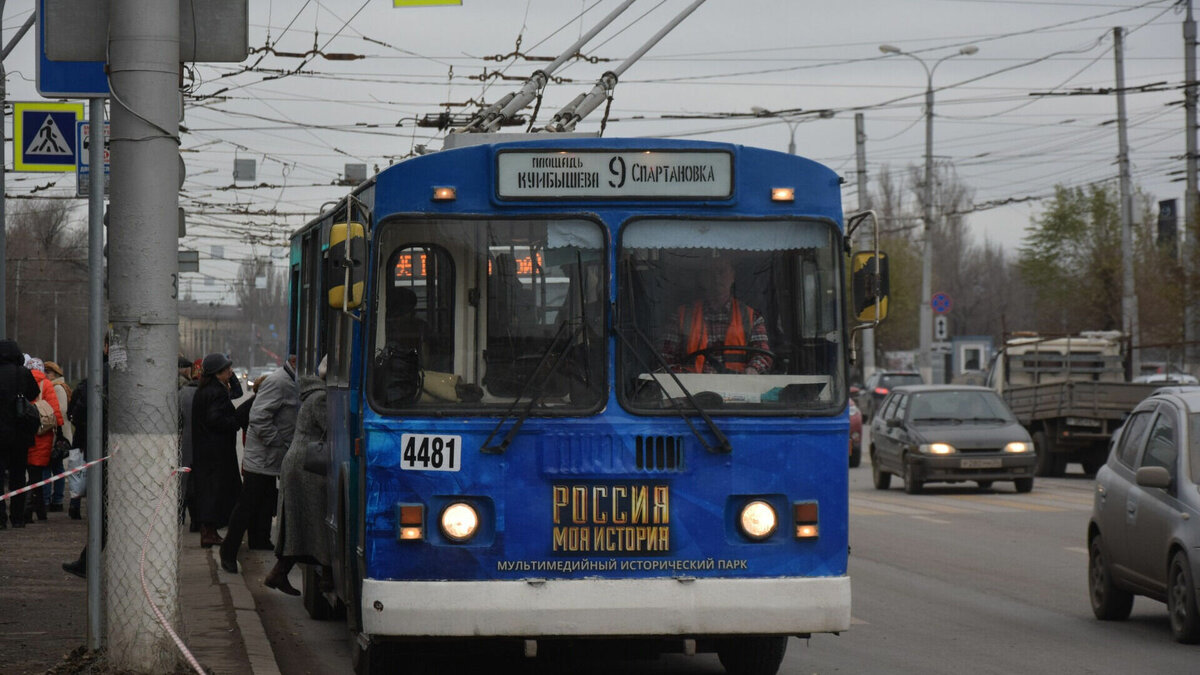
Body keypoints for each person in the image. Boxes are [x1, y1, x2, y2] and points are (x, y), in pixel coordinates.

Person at [220, 357, 299, 573]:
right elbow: (258, 417)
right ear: (295, 361)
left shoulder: (289, 380)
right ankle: (228, 551)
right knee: (247, 504)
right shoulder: (279, 382)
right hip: (263, 456)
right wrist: (279, 442)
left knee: (264, 500)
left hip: (271, 456)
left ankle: (259, 540)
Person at [265, 356, 330, 595]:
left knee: (300, 523)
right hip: (307, 466)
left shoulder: (311, 394)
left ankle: (279, 574)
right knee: (313, 521)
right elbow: (330, 428)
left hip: (301, 464)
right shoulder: (321, 398)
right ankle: (326, 575)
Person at [660, 258, 773, 374]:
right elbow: (666, 358)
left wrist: (753, 369)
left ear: (733, 276)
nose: (716, 278)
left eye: (721, 271)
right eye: (710, 273)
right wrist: (681, 374)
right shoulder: (681, 316)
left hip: (737, 384)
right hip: (691, 385)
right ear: (702, 279)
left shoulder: (752, 317)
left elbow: (762, 354)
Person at [190, 353, 242, 548]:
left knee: (208, 491)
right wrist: (235, 422)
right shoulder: (217, 392)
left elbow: (236, 392)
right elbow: (215, 419)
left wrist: (230, 377)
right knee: (215, 492)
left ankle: (209, 532)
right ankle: (209, 533)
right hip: (216, 451)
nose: (230, 371)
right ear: (217, 372)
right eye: (227, 368)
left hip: (205, 449)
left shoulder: (205, 389)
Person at [0, 339, 40, 530]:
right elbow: (34, 393)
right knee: (18, 476)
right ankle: (17, 517)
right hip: (20, 432)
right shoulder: (22, 373)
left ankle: (0, 518)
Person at [23, 356, 63, 524]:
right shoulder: (46, 384)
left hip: (24, 432)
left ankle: (31, 508)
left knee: (26, 473)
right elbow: (55, 410)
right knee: (37, 474)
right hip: (43, 434)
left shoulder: (22, 382)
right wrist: (59, 430)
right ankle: (37, 510)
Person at [43, 361, 72, 513]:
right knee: (56, 466)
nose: (45, 375)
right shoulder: (60, 386)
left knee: (52, 466)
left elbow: (60, 410)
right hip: (60, 432)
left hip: (57, 433)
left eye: (48, 372)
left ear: (55, 374)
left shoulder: (57, 388)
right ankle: (56, 499)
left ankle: (53, 499)